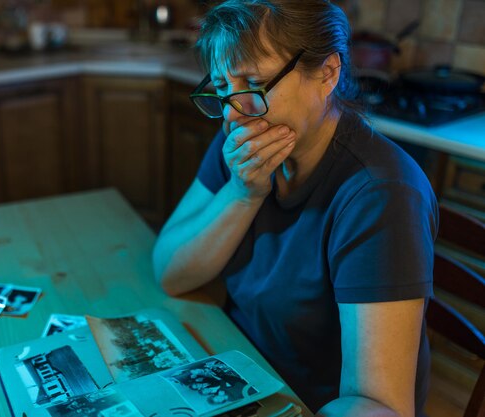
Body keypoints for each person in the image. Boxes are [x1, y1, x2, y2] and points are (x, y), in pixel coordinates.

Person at [152, 1, 437, 417]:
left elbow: (380, 406)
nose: (233, 112)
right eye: (222, 88)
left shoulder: (382, 194)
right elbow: (170, 273)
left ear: (327, 73)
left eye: (254, 82)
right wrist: (242, 194)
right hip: (242, 371)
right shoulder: (244, 137)